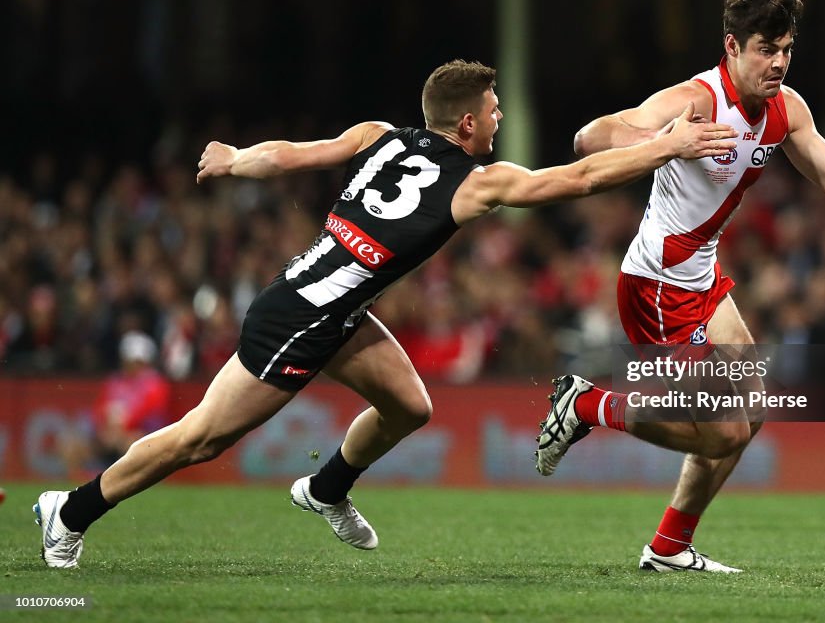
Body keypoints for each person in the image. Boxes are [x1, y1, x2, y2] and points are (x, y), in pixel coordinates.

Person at [35, 59, 740, 569]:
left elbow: (294, 156)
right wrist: (667, 147)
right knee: (200, 440)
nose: (501, 118)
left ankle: (325, 487)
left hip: (332, 304)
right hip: (304, 318)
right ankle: (69, 512)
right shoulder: (475, 183)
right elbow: (579, 177)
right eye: (494, 109)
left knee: (408, 406)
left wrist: (235, 158)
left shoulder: (381, 135)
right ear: (467, 123)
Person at [534, 0, 825, 573]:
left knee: (753, 410)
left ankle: (669, 548)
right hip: (657, 285)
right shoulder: (697, 100)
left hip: (701, 281)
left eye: (786, 49)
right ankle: (589, 407)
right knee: (723, 433)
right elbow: (590, 138)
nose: (778, 62)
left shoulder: (787, 109)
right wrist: (668, 141)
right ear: (731, 45)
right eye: (765, 48)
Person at [60, 332, 171, 478]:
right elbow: (99, 409)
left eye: (135, 360)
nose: (130, 364)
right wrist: (104, 429)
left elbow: (148, 414)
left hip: (139, 435)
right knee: (71, 444)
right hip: (108, 435)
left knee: (133, 443)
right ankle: (79, 487)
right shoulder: (114, 381)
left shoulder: (155, 384)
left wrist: (122, 430)